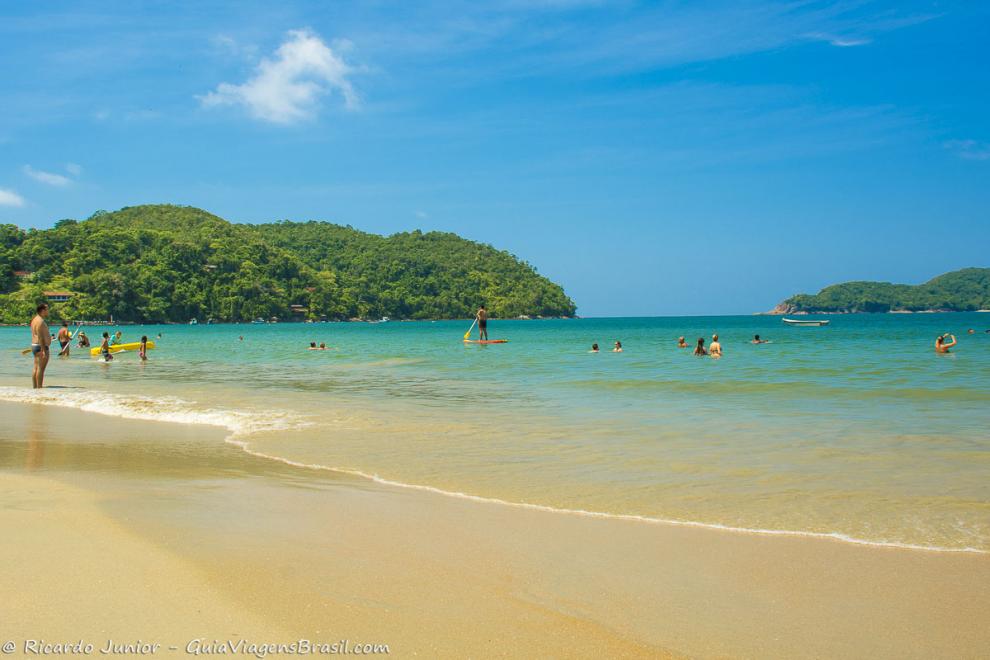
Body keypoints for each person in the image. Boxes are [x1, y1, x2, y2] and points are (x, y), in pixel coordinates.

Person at [30, 303, 51, 388]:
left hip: (35, 345)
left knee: (36, 367)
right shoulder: (40, 321)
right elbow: (41, 337)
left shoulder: (34, 320)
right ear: (42, 311)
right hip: (41, 346)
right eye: (47, 309)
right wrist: (44, 350)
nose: (48, 311)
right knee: (41, 369)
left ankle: (35, 387)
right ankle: (39, 388)